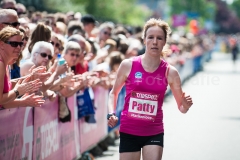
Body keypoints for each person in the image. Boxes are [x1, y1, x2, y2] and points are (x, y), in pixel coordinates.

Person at [107, 18, 193, 160]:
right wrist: (111, 113)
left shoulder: (170, 72)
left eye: (159, 38)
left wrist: (186, 105)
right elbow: (113, 93)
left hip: (154, 132)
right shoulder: (128, 65)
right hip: (129, 130)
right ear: (144, 39)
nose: (155, 42)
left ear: (165, 42)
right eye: (151, 37)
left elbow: (182, 108)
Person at [0, 26, 44, 109]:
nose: (19, 47)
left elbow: (4, 102)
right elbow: (0, 99)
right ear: (1, 44)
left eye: (20, 44)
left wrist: (30, 77)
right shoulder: (0, 64)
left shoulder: (6, 64)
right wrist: (17, 92)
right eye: (14, 44)